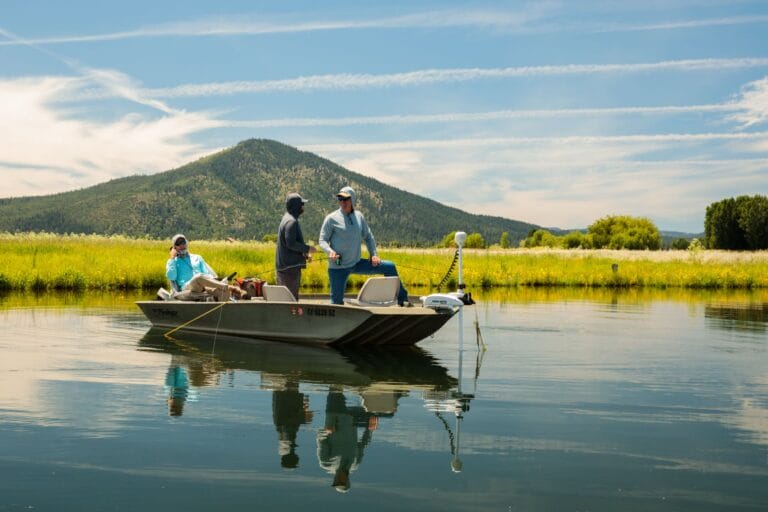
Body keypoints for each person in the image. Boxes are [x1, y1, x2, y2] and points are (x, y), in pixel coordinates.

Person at [318, 186, 410, 306]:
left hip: (356, 263)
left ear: (353, 200)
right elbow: (322, 240)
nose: (342, 202)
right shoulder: (331, 219)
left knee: (390, 267)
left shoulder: (359, 217)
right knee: (336, 303)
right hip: (338, 267)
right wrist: (330, 251)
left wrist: (374, 255)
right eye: (340, 198)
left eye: (346, 199)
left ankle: (403, 299)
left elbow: (368, 237)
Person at [166, 234, 238, 301]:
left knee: (222, 292)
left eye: (183, 242)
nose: (182, 245)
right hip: (187, 287)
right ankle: (224, 286)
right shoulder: (173, 261)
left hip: (203, 285)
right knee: (198, 277)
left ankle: (221, 311)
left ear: (186, 243)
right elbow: (171, 277)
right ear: (174, 247)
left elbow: (207, 274)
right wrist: (172, 258)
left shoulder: (197, 257)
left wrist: (212, 282)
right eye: (178, 243)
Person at [275, 193, 316, 300]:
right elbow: (290, 243)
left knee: (284, 301)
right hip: (289, 271)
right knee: (290, 302)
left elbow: (290, 245)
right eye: (302, 204)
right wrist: (308, 248)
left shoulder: (287, 218)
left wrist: (305, 255)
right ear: (297, 206)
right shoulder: (291, 222)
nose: (303, 206)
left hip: (285, 269)